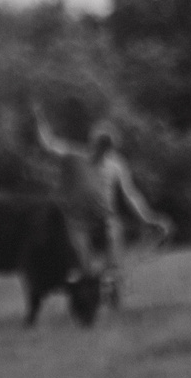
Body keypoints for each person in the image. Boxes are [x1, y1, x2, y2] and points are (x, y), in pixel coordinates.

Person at [34, 107, 171, 294]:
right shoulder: (75, 157)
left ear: (111, 147)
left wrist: (147, 217)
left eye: (107, 146)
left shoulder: (116, 165)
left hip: (105, 217)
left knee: (114, 234)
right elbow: (49, 144)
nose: (102, 150)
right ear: (93, 142)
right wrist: (40, 119)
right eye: (101, 144)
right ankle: (86, 280)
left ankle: (112, 278)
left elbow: (130, 194)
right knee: (82, 256)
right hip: (77, 220)